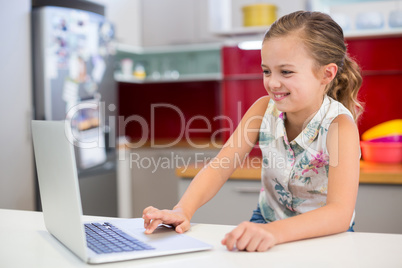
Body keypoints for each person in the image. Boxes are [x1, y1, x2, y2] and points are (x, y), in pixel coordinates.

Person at [142, 10, 363, 252]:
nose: (273, 83)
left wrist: (273, 232)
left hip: (324, 236)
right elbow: (220, 165)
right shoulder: (262, 110)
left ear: (326, 74)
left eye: (286, 72)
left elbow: (339, 213)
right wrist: (182, 210)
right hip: (268, 223)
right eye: (267, 71)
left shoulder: (339, 126)